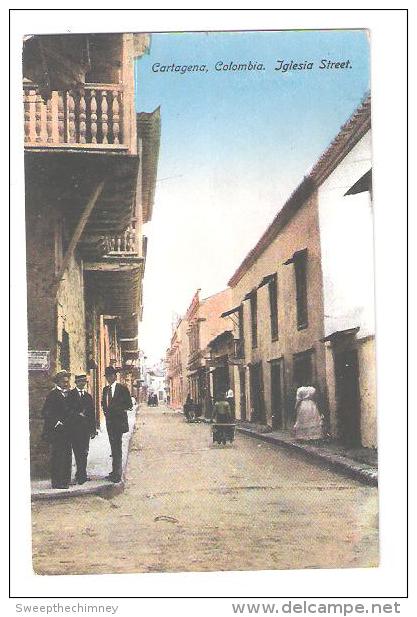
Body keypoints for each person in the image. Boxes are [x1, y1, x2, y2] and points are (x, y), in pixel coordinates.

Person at [41, 370, 72, 489]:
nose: (66, 383)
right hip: (57, 432)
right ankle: (57, 482)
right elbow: (45, 412)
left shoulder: (69, 394)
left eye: (67, 381)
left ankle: (65, 480)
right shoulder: (52, 395)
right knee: (58, 456)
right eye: (64, 381)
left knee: (67, 455)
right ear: (58, 382)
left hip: (67, 431)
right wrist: (56, 422)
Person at [101, 366, 132, 483]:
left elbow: (129, 405)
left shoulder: (122, 389)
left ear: (115, 376)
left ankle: (117, 474)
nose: (109, 378)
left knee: (117, 448)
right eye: (107, 376)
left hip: (118, 423)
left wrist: (117, 409)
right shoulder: (105, 390)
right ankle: (114, 471)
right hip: (110, 423)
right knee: (113, 447)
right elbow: (104, 404)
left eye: (111, 376)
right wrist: (106, 413)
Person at [67, 374, 97, 484]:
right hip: (74, 429)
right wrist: (77, 414)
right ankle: (79, 474)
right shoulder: (70, 395)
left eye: (84, 382)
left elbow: (92, 414)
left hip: (85, 430)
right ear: (76, 383)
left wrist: (93, 430)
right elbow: (67, 411)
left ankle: (82, 474)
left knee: (84, 452)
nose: (82, 384)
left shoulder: (88, 397)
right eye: (80, 382)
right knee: (77, 451)